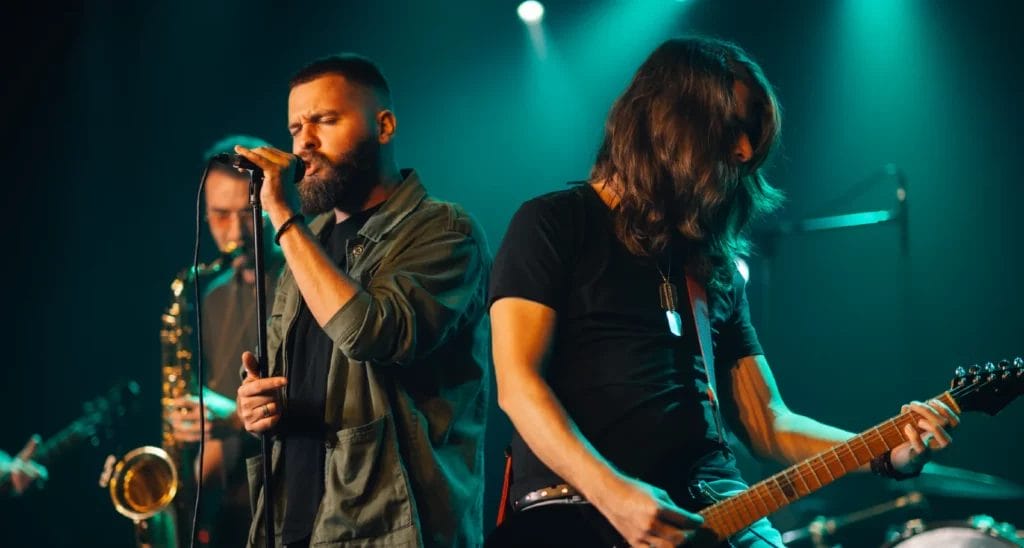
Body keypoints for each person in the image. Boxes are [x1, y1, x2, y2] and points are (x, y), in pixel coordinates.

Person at [488, 36, 958, 547]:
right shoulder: (553, 224)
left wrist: (889, 452)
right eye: (735, 128)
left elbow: (767, 422)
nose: (746, 151)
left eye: (754, 135)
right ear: (671, 121)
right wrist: (616, 495)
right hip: (575, 512)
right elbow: (519, 386)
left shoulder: (710, 267)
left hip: (716, 508)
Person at [234, 54, 490, 547]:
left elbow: (372, 332)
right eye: (295, 127)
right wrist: (258, 406)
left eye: (325, 120)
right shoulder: (305, 245)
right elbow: (298, 379)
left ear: (385, 125)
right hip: (295, 522)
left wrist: (284, 219)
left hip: (389, 529)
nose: (304, 140)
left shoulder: (444, 231)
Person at [168, 135, 283, 547]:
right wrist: (174, 480)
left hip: (292, 498)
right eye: (219, 216)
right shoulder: (213, 294)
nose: (234, 232)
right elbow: (217, 409)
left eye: (247, 214)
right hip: (235, 505)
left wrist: (227, 417)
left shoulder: (302, 280)